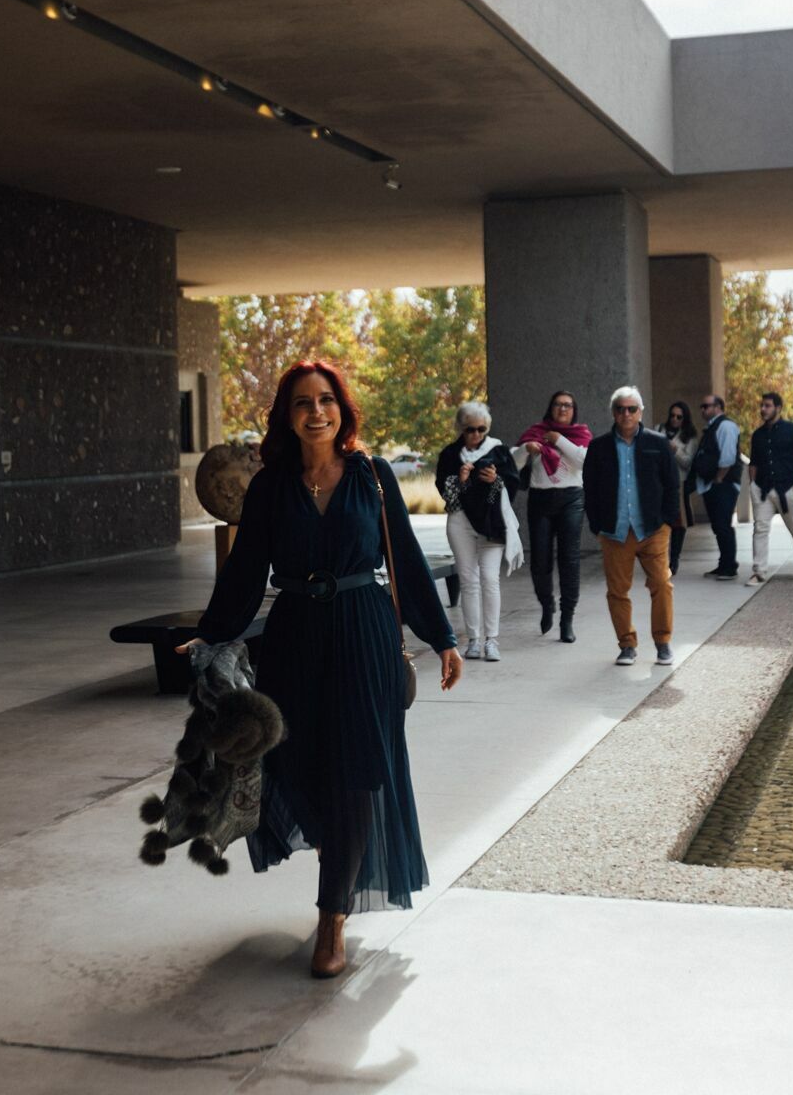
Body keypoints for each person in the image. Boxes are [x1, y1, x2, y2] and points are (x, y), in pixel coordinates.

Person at [179, 360, 463, 980]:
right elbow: (247, 570)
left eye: (327, 399)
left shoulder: (374, 477)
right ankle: (336, 867)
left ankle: (332, 918)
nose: (316, 412)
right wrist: (213, 634)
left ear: (343, 409)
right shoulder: (270, 487)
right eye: (303, 402)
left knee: (356, 779)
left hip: (363, 637)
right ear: (287, 414)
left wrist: (440, 637)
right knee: (298, 769)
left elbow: (407, 565)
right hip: (294, 642)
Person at [581, 386, 681, 668]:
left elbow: (672, 484)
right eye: (621, 409)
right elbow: (590, 488)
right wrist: (597, 525)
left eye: (631, 409)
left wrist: (667, 521)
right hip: (615, 531)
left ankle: (663, 642)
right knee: (617, 591)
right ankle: (627, 645)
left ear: (640, 413)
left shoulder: (657, 443)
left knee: (662, 583)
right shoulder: (598, 447)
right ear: (613, 412)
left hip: (652, 529)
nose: (626, 414)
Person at [434, 402, 522, 662]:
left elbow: (512, 488)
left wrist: (495, 481)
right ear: (461, 429)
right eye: (470, 429)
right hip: (460, 521)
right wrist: (460, 481)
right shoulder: (450, 454)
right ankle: (473, 640)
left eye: (481, 429)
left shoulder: (498, 451)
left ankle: (491, 640)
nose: (475, 435)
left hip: (491, 523)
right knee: (469, 581)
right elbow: (445, 494)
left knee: (490, 579)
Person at [516, 391, 590, 644]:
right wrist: (526, 449)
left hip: (571, 499)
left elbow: (583, 461)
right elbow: (512, 463)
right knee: (540, 560)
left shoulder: (580, 434)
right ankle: (547, 603)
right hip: (540, 501)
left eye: (568, 405)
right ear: (550, 408)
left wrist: (558, 440)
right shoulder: (536, 432)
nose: (562, 409)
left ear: (574, 410)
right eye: (558, 404)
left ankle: (566, 619)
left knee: (569, 560)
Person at [747, 391, 793, 583]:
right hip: (762, 490)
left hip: (787, 490)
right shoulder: (758, 435)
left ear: (778, 408)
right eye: (762, 405)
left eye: (767, 406)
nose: (763, 409)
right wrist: (752, 485)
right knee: (760, 529)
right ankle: (759, 571)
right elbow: (754, 462)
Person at [691, 393, 741, 578]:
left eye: (706, 406)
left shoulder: (726, 426)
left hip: (723, 485)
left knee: (723, 525)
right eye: (702, 406)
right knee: (718, 526)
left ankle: (729, 567)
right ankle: (724, 564)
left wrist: (719, 479)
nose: (703, 410)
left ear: (718, 407)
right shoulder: (711, 427)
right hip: (713, 485)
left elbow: (728, 456)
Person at [659, 401, 699, 574]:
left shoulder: (689, 437)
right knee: (659, 521)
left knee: (678, 522)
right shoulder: (658, 430)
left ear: (685, 418)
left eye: (679, 417)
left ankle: (674, 558)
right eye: (672, 415)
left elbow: (688, 462)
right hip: (658, 481)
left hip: (678, 482)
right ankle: (660, 557)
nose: (674, 419)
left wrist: (675, 450)